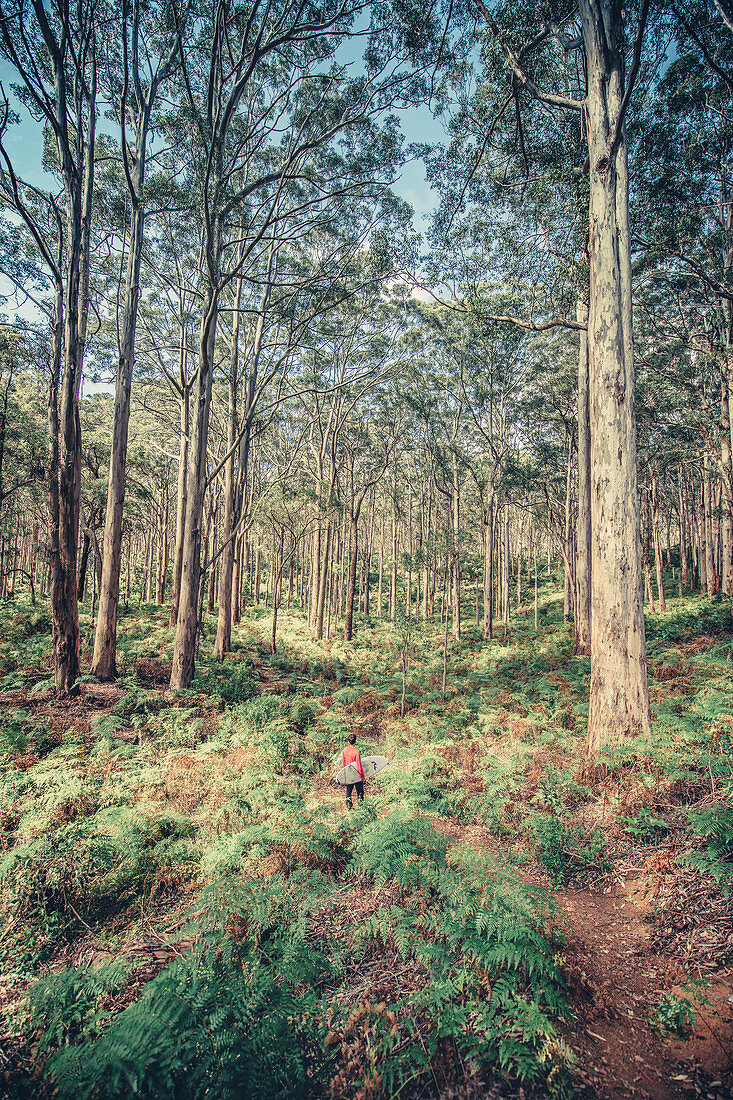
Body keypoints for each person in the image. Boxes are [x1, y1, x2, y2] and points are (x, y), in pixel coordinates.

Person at [342, 732, 365, 809]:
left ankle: (349, 808)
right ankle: (361, 808)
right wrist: (362, 776)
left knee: (348, 791)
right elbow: (358, 765)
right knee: (360, 792)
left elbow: (344, 762)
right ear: (355, 741)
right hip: (356, 775)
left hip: (349, 773)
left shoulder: (345, 750)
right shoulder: (356, 752)